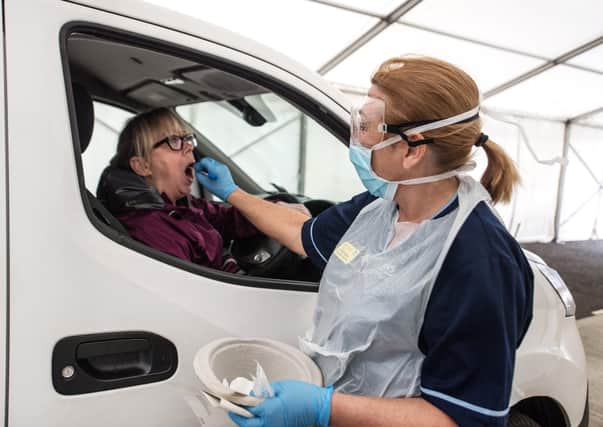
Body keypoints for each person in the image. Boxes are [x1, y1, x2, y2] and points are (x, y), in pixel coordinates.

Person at [195, 55, 534, 427]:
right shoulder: (381, 208)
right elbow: (301, 233)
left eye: (368, 124)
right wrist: (231, 193)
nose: (358, 135)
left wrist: (324, 408)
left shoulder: (479, 261)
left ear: (412, 149)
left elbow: (461, 419)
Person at [97, 107, 261, 273]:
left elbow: (230, 219)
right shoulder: (150, 229)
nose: (189, 146)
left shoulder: (181, 205)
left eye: (188, 138)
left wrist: (281, 208)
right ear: (142, 166)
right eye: (174, 140)